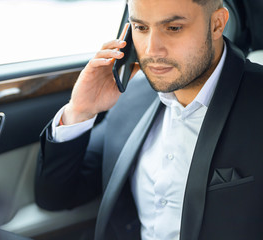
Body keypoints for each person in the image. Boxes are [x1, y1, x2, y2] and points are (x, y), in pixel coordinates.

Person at [35, 0, 263, 239]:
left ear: (217, 24)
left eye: (173, 28)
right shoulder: (133, 95)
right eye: (141, 28)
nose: (152, 50)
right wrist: (80, 111)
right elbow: (55, 197)